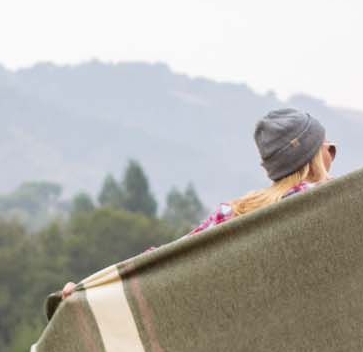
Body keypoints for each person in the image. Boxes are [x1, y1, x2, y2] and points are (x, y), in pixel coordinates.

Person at [60, 107, 336, 299]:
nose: (331, 152)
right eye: (328, 148)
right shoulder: (329, 203)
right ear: (313, 157)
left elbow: (166, 260)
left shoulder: (234, 213)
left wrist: (89, 289)